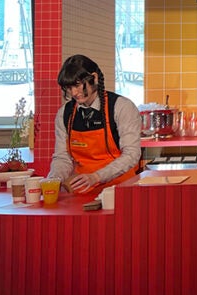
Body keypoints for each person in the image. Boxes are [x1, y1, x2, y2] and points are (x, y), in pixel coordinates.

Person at [47, 54, 141, 196]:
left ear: (94, 78)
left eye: (77, 85)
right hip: (82, 192)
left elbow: (131, 154)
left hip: (120, 190)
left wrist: (96, 177)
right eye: (69, 88)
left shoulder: (121, 107)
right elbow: (62, 157)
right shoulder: (64, 114)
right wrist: (53, 180)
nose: (74, 93)